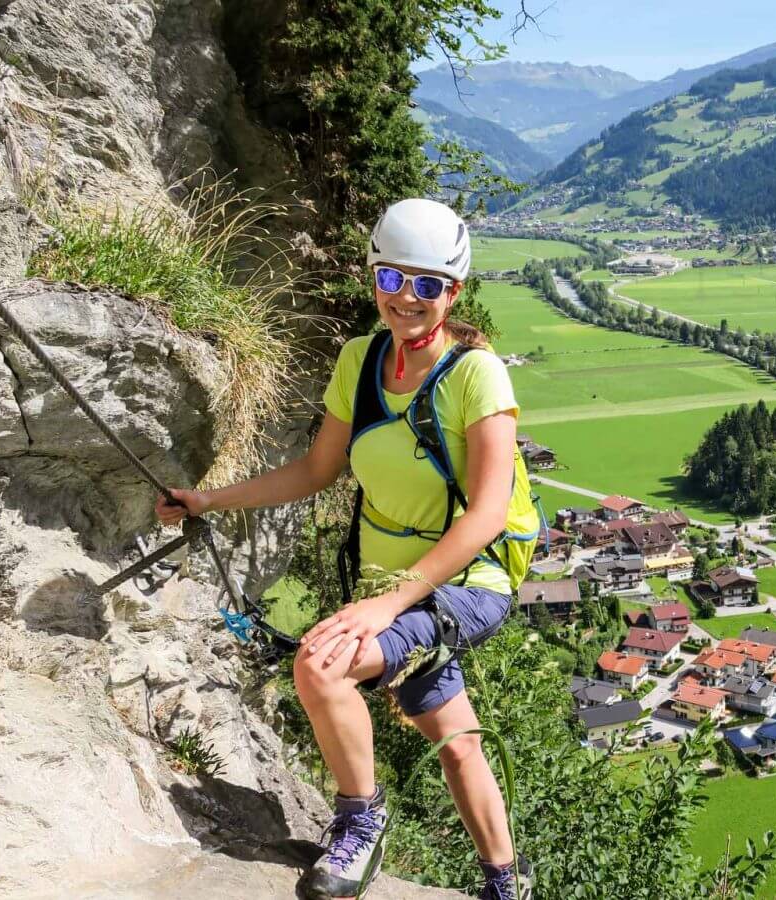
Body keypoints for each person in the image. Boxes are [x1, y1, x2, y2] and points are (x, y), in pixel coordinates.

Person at [156, 198, 530, 900]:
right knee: (455, 738)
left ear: (453, 292)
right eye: (393, 280)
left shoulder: (479, 376)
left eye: (427, 286)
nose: (406, 300)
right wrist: (208, 500)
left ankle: (360, 824)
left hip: (469, 581)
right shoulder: (360, 362)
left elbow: (484, 518)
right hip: (398, 588)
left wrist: (385, 605)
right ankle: (506, 884)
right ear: (374, 279)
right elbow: (314, 471)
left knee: (323, 665)